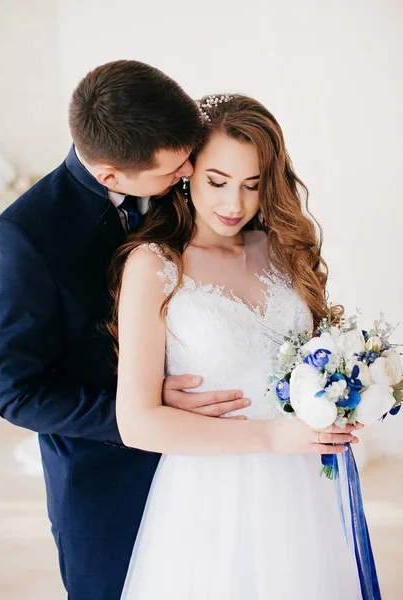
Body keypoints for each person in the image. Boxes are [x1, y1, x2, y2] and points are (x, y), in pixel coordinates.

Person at [0, 62, 251, 600]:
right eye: (173, 170)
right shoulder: (28, 237)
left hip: (220, 468)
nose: (187, 175)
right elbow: (19, 393)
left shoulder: (182, 168)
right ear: (111, 175)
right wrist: (141, 408)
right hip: (106, 484)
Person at [112, 94, 378, 599]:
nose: (234, 204)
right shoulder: (154, 266)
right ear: (187, 170)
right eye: (217, 182)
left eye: (252, 186)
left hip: (304, 486)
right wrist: (273, 438)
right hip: (211, 496)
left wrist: (344, 395)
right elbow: (138, 422)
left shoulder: (283, 250)